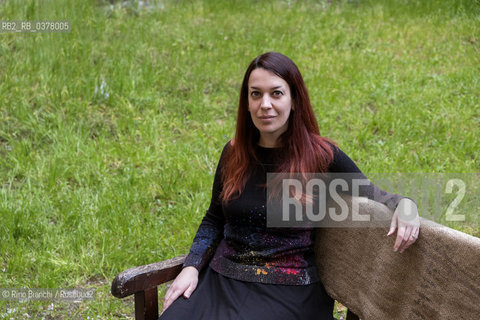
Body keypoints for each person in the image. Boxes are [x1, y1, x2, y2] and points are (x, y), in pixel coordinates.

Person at [159, 52, 420, 320]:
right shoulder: (234, 153)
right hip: (222, 281)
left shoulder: (320, 156)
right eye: (256, 94)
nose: (265, 104)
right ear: (246, 102)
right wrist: (191, 266)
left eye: (276, 93)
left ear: (294, 100)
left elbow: (374, 194)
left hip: (288, 289)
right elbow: (214, 218)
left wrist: (406, 205)